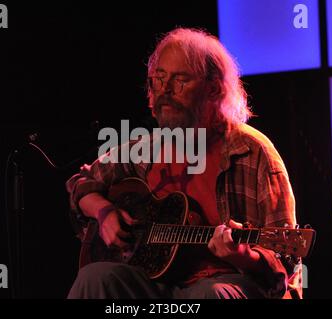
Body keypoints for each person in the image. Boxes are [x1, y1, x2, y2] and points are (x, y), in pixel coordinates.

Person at [66, 28, 302, 299]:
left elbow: (286, 259)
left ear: (213, 88)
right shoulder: (148, 148)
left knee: (209, 295)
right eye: (158, 79)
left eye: (180, 80)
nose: (165, 90)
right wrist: (104, 212)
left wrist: (243, 254)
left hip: (227, 282)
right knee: (94, 278)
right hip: (156, 283)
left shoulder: (252, 152)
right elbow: (81, 184)